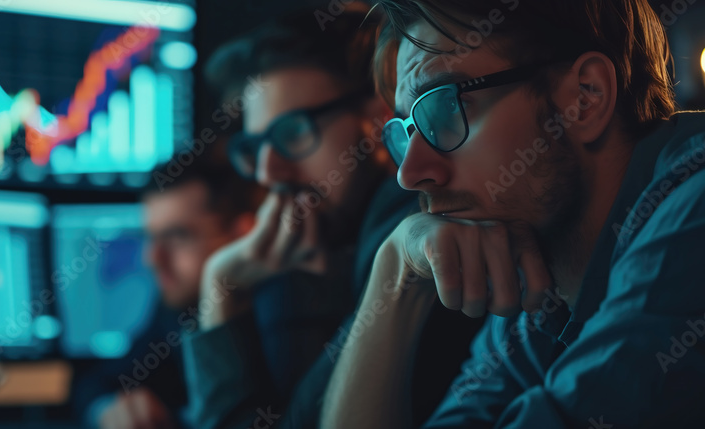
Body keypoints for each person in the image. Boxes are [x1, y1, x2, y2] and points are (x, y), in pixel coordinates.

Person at [322, 0, 705, 427]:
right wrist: (395, 269)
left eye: (444, 109)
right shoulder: (540, 291)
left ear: (585, 98)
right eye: (406, 133)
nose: (410, 174)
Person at [182, 4, 483, 429]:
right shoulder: (340, 242)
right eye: (256, 149)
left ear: (379, 121)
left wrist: (221, 285)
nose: (269, 173)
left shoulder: (412, 226)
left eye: (293, 133)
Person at [71, 161, 262, 429]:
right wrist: (109, 409)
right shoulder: (179, 309)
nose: (153, 258)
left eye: (177, 236)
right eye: (151, 237)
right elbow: (100, 382)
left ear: (244, 236)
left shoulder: (285, 321)